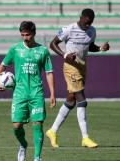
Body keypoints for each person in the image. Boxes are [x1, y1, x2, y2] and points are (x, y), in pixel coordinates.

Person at [0, 21, 56, 161]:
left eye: (27, 35)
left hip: (36, 93)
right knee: (16, 126)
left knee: (38, 123)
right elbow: (3, 65)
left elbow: (49, 72)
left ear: (34, 33)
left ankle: (37, 157)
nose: (25, 37)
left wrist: (52, 93)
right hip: (19, 93)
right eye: (22, 35)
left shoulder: (43, 51)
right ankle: (23, 144)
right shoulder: (15, 50)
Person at [46, 8, 110, 148]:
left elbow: (89, 46)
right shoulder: (69, 29)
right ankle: (85, 138)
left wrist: (100, 49)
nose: (88, 25)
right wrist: (64, 55)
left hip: (82, 67)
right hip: (70, 67)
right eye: (86, 22)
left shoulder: (92, 31)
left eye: (90, 23)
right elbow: (52, 44)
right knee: (82, 99)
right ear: (81, 17)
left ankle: (52, 131)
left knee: (71, 100)